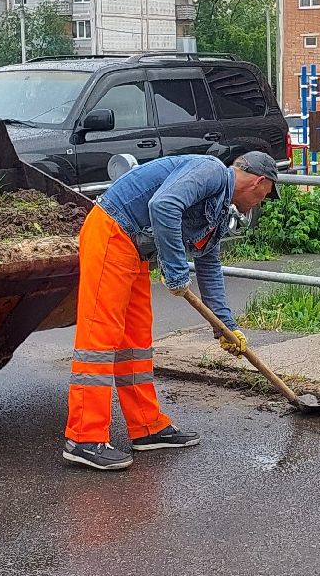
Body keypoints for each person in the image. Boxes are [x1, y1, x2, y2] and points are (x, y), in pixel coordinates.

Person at [62, 151, 281, 471]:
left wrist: (225, 326)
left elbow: (209, 266)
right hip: (112, 230)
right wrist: (176, 271)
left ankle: (146, 427)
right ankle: (84, 437)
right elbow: (163, 205)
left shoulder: (218, 210)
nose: (262, 202)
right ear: (259, 182)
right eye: (266, 195)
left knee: (134, 341)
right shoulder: (212, 172)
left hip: (134, 249)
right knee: (101, 334)